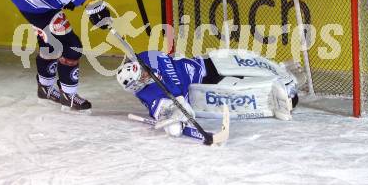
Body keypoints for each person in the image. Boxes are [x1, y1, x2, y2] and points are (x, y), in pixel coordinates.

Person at [116, 50, 300, 137]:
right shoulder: (150, 97)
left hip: (207, 62)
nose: (146, 73)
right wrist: (176, 117)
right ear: (136, 86)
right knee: (240, 90)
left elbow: (166, 64)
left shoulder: (146, 57)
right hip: (206, 87)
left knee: (246, 59)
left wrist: (178, 97)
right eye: (142, 76)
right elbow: (165, 113)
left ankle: (280, 69)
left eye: (142, 70)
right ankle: (280, 98)